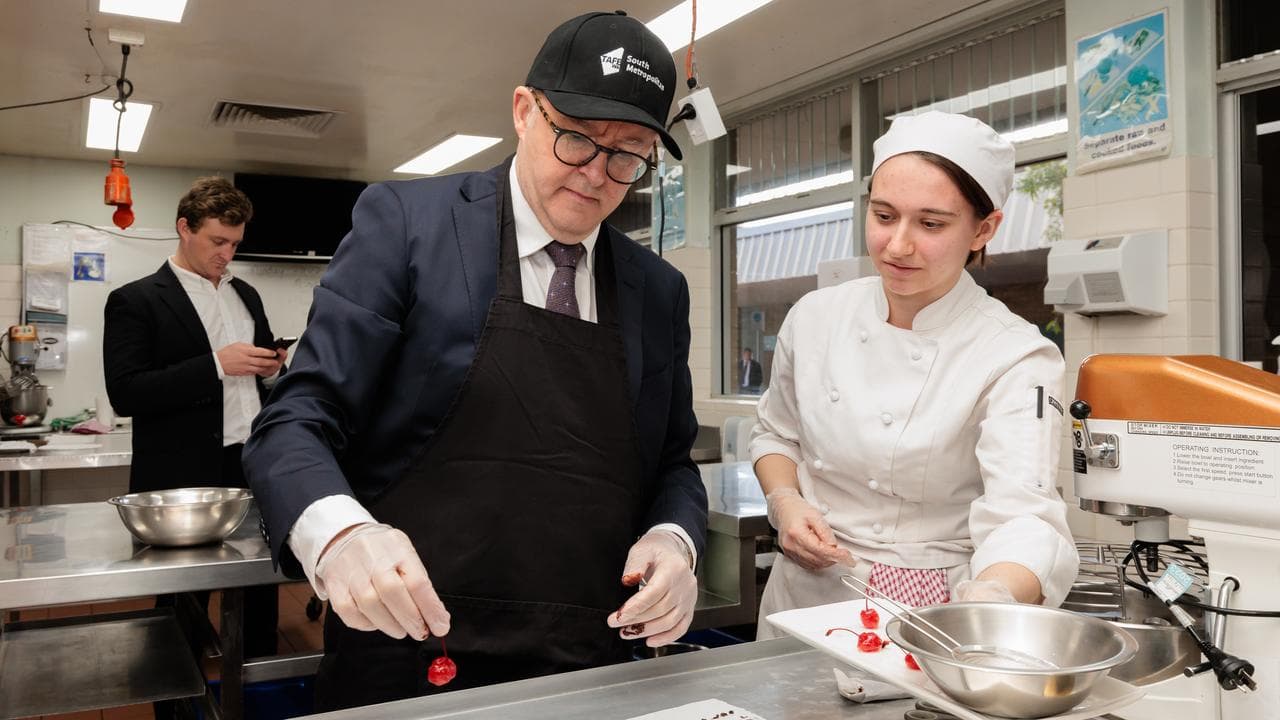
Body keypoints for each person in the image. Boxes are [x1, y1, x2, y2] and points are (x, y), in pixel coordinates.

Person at [243, 10, 707, 710]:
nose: (597, 175)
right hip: (409, 648)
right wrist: (340, 535)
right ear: (524, 111)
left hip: (592, 656)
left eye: (629, 154)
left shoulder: (659, 291)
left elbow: (672, 460)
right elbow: (296, 418)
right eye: (577, 138)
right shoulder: (408, 226)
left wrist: (676, 543)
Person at [750, 111, 1078, 639]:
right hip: (804, 599)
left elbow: (1024, 515)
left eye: (930, 224)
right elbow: (776, 433)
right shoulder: (815, 316)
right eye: (883, 216)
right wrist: (785, 501)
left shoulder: (1015, 354)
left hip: (937, 611)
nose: (898, 246)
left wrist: (991, 596)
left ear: (984, 229)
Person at [102, 178, 285, 679]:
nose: (228, 254)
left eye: (235, 244)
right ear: (185, 229)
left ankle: (257, 686)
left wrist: (272, 370)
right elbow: (127, 392)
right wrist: (215, 364)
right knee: (183, 600)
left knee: (258, 585)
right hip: (184, 473)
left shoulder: (245, 294)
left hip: (252, 461)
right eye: (217, 242)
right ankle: (172, 695)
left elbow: (259, 373)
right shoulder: (135, 300)